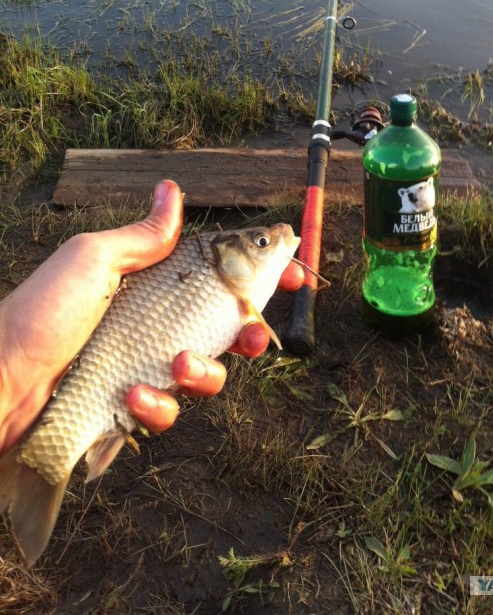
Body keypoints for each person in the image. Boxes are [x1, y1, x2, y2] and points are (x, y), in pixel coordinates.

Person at [0, 179, 303, 457]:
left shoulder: (234, 288)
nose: (277, 237)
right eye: (262, 242)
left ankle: (62, 444)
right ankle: (45, 455)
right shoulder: (220, 276)